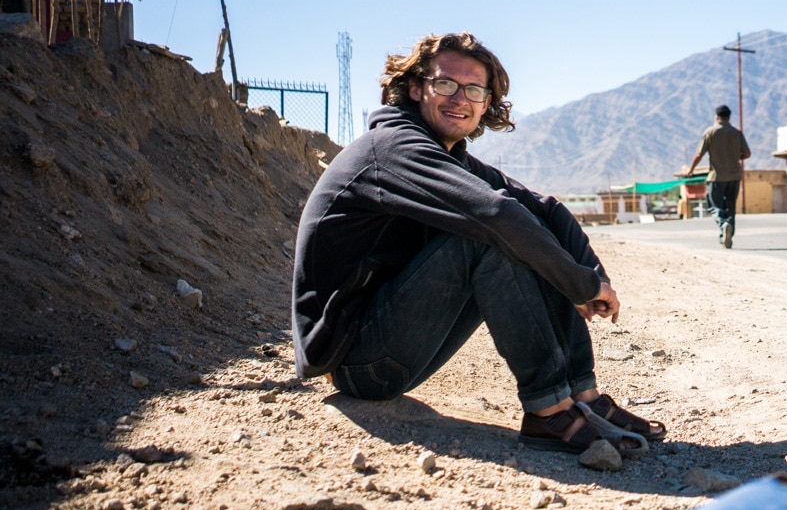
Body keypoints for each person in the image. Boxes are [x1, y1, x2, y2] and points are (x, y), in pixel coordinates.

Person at [291, 32, 665, 454]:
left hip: (390, 350)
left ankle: (583, 397)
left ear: (487, 103)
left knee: (523, 228)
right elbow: (494, 216)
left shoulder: (451, 158)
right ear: (416, 89)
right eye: (445, 84)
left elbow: (545, 209)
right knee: (491, 237)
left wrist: (593, 277)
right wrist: (578, 286)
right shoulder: (393, 148)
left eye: (473, 90)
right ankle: (549, 411)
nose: (459, 99)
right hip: (358, 362)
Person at [685, 104, 751, 249]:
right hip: (734, 176)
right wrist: (734, 157)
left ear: (716, 117)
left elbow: (699, 154)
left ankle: (723, 224)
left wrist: (691, 169)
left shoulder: (710, 132)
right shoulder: (736, 133)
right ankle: (726, 238)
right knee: (730, 207)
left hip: (716, 177)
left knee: (714, 206)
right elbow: (747, 153)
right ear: (729, 117)